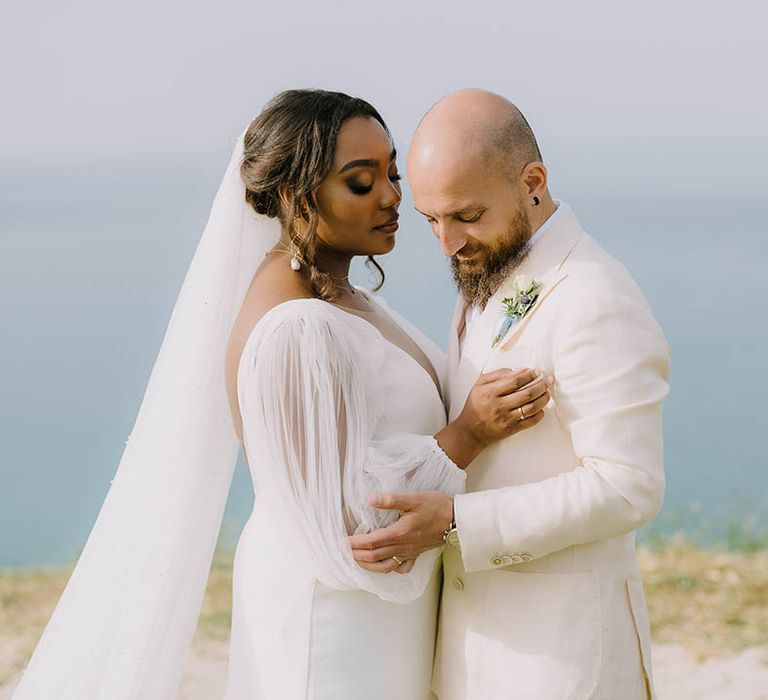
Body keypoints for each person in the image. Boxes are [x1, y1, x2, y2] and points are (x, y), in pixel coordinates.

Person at [12, 89, 550, 700]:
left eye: (392, 172)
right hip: (331, 626)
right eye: (360, 181)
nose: (393, 195)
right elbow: (352, 523)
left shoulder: (340, 297)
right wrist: (468, 434)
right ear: (299, 196)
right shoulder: (296, 327)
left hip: (375, 622)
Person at [349, 88, 671, 700]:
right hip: (475, 655)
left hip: (562, 663)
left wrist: (455, 523)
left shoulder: (595, 297)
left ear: (532, 182)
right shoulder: (490, 267)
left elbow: (629, 485)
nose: (448, 243)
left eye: (466, 216)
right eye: (431, 220)